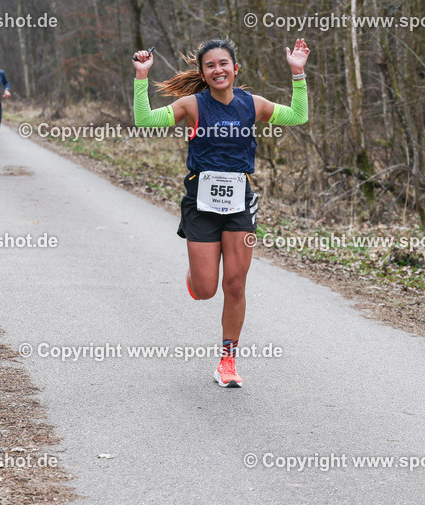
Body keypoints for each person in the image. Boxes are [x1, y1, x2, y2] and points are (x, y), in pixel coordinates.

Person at [132, 37, 309, 387]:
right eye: (210, 65)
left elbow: (298, 116)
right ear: (203, 72)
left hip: (239, 202)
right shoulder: (192, 106)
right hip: (201, 201)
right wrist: (141, 77)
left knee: (236, 284)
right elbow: (145, 122)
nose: (218, 70)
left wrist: (298, 74)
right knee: (206, 289)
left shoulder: (253, 104)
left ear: (235, 68)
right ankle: (196, 277)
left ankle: (228, 360)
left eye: (223, 63)